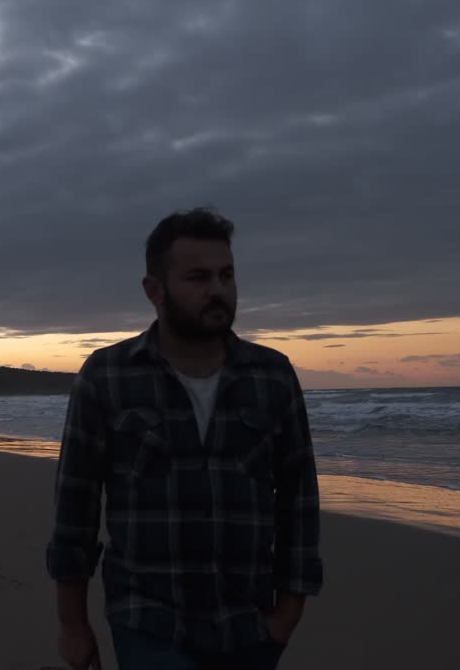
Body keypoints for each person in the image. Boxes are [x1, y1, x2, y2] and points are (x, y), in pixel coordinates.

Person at [47, 207, 323, 669]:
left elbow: (299, 499)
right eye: (198, 277)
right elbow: (75, 508)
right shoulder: (108, 376)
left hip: (249, 624)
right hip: (149, 620)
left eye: (226, 275)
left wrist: (288, 612)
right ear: (154, 290)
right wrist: (72, 624)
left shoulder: (272, 376)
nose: (217, 290)